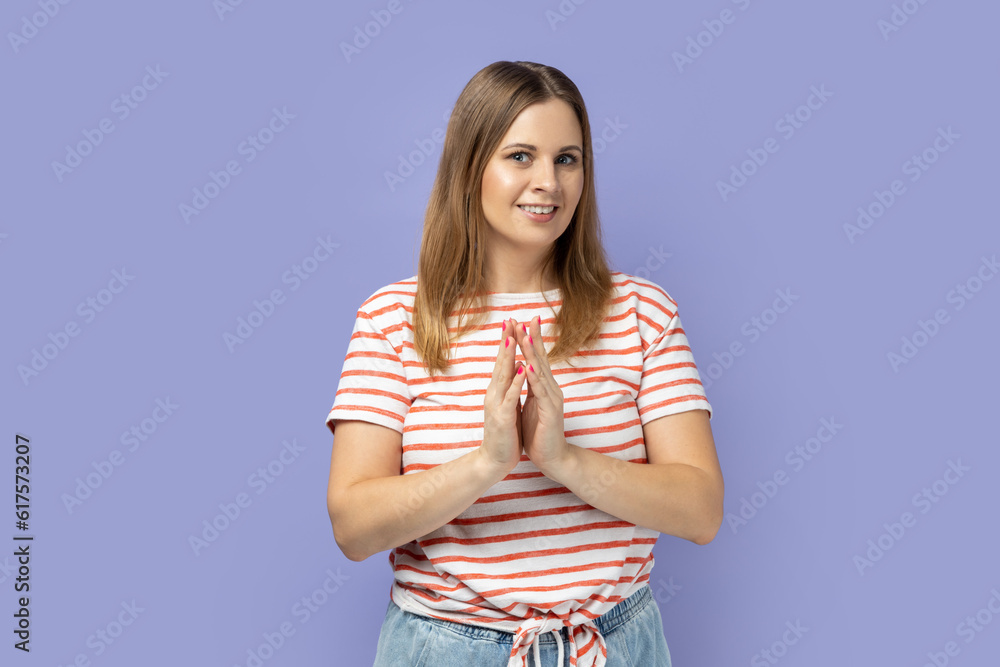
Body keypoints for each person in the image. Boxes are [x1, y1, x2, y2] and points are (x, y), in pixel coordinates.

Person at [325, 60, 724, 667]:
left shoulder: (644, 311)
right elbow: (354, 526)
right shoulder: (392, 318)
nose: (549, 182)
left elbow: (700, 511)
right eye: (520, 156)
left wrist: (562, 458)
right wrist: (488, 461)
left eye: (567, 158)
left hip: (614, 645)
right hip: (446, 648)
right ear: (470, 167)